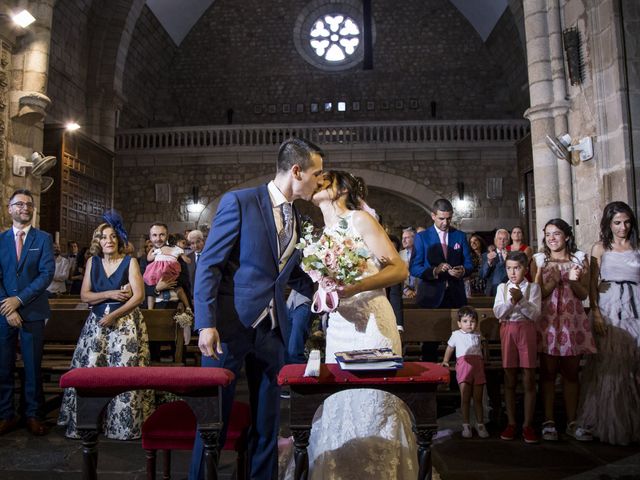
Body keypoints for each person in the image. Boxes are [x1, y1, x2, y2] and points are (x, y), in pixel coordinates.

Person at [191, 138, 321, 480]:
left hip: (272, 331)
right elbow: (210, 266)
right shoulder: (241, 202)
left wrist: (333, 292)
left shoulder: (297, 215)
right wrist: (205, 323)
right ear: (296, 171)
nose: (319, 181)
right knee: (212, 424)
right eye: (316, 173)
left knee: (268, 424)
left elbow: (288, 272)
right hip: (228, 329)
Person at [282, 170, 417, 479]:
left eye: (323, 179)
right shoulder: (322, 234)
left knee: (372, 402)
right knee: (339, 399)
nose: (315, 182)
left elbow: (399, 269)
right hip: (340, 327)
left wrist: (356, 287)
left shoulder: (359, 220)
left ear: (340, 189)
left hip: (371, 323)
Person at [58, 212, 152, 439]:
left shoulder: (129, 263)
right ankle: (89, 423)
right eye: (103, 237)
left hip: (125, 323)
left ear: (119, 239)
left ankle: (123, 427)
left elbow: (138, 297)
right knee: (91, 370)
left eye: (112, 236)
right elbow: (85, 296)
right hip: (97, 324)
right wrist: (110, 293)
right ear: (97, 241)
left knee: (123, 373)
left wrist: (114, 315)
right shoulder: (93, 262)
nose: (108, 240)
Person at [578, 201, 640, 445]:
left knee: (635, 367)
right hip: (610, 307)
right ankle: (609, 421)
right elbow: (592, 285)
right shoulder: (600, 248)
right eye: (617, 223)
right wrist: (596, 313)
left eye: (626, 222)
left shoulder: (637, 246)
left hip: (636, 304)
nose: (622, 227)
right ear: (608, 224)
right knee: (612, 367)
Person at [531, 218, 596, 442]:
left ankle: (572, 421)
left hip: (572, 321)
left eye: (556, 234)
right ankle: (548, 421)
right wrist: (555, 279)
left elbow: (583, 293)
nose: (551, 238)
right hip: (548, 321)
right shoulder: (539, 261)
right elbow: (537, 293)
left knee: (570, 373)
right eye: (548, 234)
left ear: (566, 236)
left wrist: (573, 280)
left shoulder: (579, 259)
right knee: (548, 373)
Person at [0, 189, 54, 436]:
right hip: (3, 313)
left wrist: (18, 300)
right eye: (19, 204)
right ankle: (6, 414)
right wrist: (6, 304)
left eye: (29, 204)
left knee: (33, 366)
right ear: (9, 208)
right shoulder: (0, 240)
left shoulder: (42, 239)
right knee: (3, 365)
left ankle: (33, 414)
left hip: (32, 311)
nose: (24, 207)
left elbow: (46, 274)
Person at [410, 198, 473, 361]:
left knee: (458, 343)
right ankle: (431, 383)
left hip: (455, 294)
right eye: (441, 218)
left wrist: (462, 271)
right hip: (431, 296)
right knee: (430, 344)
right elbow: (414, 268)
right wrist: (434, 271)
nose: (446, 222)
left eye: (449, 218)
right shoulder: (422, 237)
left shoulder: (459, 236)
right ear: (433, 216)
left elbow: (469, 264)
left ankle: (456, 381)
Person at [493, 251, 541, 444]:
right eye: (509, 268)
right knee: (509, 376)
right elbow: (498, 312)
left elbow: (536, 315)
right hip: (508, 330)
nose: (513, 273)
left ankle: (527, 424)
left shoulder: (533, 288)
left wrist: (521, 300)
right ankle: (512, 422)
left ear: (525, 269)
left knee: (528, 377)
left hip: (526, 330)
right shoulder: (502, 288)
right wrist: (512, 301)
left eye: (517, 268)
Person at [440, 306, 489, 440]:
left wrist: (486, 358)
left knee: (478, 399)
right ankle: (466, 424)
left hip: (478, 367)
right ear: (459, 323)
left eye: (472, 321)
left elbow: (484, 348)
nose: (469, 324)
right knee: (465, 398)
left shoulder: (478, 335)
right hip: (464, 368)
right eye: (465, 321)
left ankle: (480, 424)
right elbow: (450, 348)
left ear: (476, 323)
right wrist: (445, 360)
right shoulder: (456, 335)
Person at [143, 234, 192, 310]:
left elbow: (184, 282)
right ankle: (150, 311)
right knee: (151, 293)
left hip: (175, 303)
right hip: (158, 303)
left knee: (179, 288)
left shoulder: (168, 250)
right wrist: (156, 289)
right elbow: (146, 287)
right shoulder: (160, 251)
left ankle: (188, 307)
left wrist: (152, 250)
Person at [480, 229, 510, 296]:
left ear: (508, 241)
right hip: (492, 291)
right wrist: (489, 262)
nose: (502, 241)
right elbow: (483, 275)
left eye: (504, 239)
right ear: (495, 240)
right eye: (499, 239)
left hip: (508, 290)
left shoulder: (511, 255)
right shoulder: (486, 255)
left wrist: (507, 261)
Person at [399, 227, 417, 299]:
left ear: (414, 239)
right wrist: (406, 290)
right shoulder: (399, 255)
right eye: (402, 238)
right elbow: (397, 276)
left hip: (420, 293)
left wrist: (418, 291)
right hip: (404, 294)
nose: (403, 240)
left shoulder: (422, 253)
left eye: (406, 238)